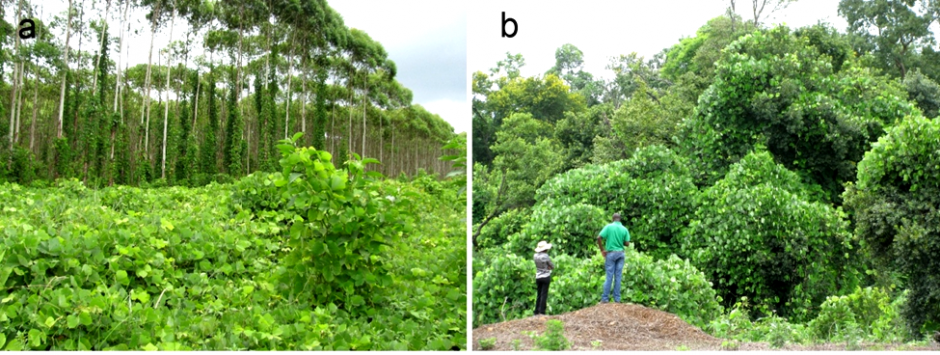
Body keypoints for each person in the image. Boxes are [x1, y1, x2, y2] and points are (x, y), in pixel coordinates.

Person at [597, 213, 631, 303]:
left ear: (613, 219)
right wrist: (620, 241)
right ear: (620, 219)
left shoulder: (608, 227)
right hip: (620, 254)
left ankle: (605, 298)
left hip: (610, 253)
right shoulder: (624, 229)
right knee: (618, 276)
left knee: (609, 276)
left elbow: (599, 238)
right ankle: (617, 299)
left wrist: (602, 250)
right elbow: (627, 243)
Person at [533, 240, 555, 315]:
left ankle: (536, 311)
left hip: (538, 276)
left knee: (539, 294)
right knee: (544, 294)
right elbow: (551, 266)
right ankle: (542, 311)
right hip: (545, 276)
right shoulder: (545, 256)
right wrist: (549, 267)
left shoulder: (535, 256)